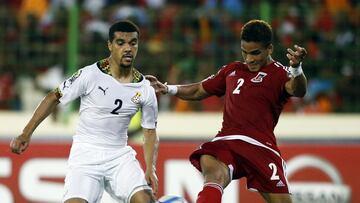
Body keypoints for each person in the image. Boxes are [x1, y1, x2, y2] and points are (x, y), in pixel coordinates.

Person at [146, 19, 307, 203]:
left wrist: (296, 68)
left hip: (260, 147)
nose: (249, 59)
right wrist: (168, 88)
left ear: (269, 49)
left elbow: (298, 90)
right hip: (227, 142)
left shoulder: (280, 73)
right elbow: (199, 90)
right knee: (213, 173)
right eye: (245, 52)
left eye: (255, 53)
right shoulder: (232, 70)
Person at [10, 20, 159, 203]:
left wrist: (150, 168)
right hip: (86, 155)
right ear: (110, 45)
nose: (127, 48)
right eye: (121, 43)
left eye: (133, 43)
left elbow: (150, 132)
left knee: (145, 199)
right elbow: (53, 97)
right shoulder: (90, 75)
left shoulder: (145, 88)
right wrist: (26, 133)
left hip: (119, 155)